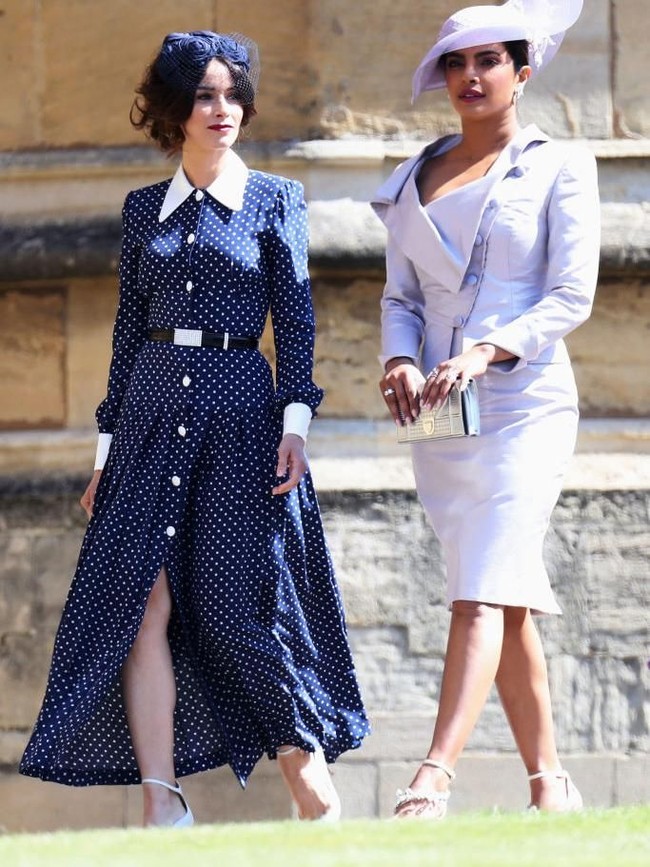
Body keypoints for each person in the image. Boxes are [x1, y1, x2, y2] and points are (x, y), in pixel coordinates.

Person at [20, 30, 369, 827]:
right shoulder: (143, 208)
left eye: (233, 93)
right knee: (139, 601)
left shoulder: (276, 199)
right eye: (206, 95)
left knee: (240, 604)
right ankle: (160, 798)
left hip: (242, 419)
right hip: (147, 420)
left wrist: (296, 422)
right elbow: (122, 336)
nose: (224, 109)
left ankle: (306, 774)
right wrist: (104, 451)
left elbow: (300, 326)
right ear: (176, 110)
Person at [372, 0, 599, 817]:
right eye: (456, 65)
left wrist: (483, 349)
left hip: (525, 403)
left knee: (478, 591)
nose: (470, 77)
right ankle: (552, 783)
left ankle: (431, 777)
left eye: (488, 62)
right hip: (441, 410)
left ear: (522, 71)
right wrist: (402, 355)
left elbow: (571, 296)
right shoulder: (414, 173)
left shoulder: (562, 166)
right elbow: (400, 296)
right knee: (496, 587)